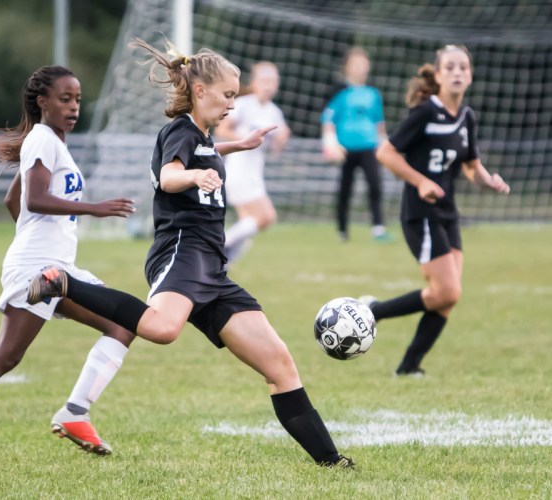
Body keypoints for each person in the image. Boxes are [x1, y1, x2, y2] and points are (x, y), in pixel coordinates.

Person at [26, 39, 354, 468]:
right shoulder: (179, 130)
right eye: (228, 95)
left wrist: (239, 146)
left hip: (212, 267)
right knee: (162, 329)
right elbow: (169, 175)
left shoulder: (200, 136)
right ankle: (65, 284)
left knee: (279, 364)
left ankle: (332, 462)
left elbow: (204, 152)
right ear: (201, 92)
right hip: (181, 251)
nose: (233, 104)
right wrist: (195, 175)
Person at [0, 65, 137, 461]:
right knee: (6, 355)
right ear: (42, 102)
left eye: (78, 99)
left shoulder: (48, 142)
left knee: (121, 324)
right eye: (65, 99)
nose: (73, 107)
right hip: (39, 269)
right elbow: (34, 199)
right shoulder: (43, 140)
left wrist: (34, 235)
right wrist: (93, 209)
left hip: (56, 268)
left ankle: (74, 412)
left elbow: (13, 201)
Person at [363, 45, 509, 376]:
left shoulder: (466, 117)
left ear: (470, 75)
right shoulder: (426, 113)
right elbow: (386, 153)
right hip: (420, 212)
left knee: (447, 297)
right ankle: (374, 310)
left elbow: (471, 167)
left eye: (463, 67)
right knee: (447, 290)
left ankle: (409, 366)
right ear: (439, 75)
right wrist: (420, 182)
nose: (458, 72)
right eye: (451, 67)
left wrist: (489, 180)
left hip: (447, 212)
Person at [215, 62, 291, 263]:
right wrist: (243, 140)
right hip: (239, 172)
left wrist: (281, 139)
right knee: (266, 218)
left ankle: (221, 266)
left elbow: (277, 144)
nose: (269, 86)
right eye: (265, 81)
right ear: (254, 82)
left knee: (248, 224)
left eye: (273, 81)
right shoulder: (243, 104)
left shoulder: (274, 112)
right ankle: (219, 245)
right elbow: (221, 130)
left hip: (255, 174)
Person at [321, 47, 391, 242]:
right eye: (355, 64)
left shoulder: (373, 94)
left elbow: (379, 123)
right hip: (346, 149)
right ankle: (342, 230)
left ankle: (378, 228)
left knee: (375, 186)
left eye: (362, 63)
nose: (359, 67)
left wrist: (383, 145)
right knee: (345, 189)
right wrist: (330, 144)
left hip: (369, 147)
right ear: (347, 67)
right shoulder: (341, 92)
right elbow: (328, 119)